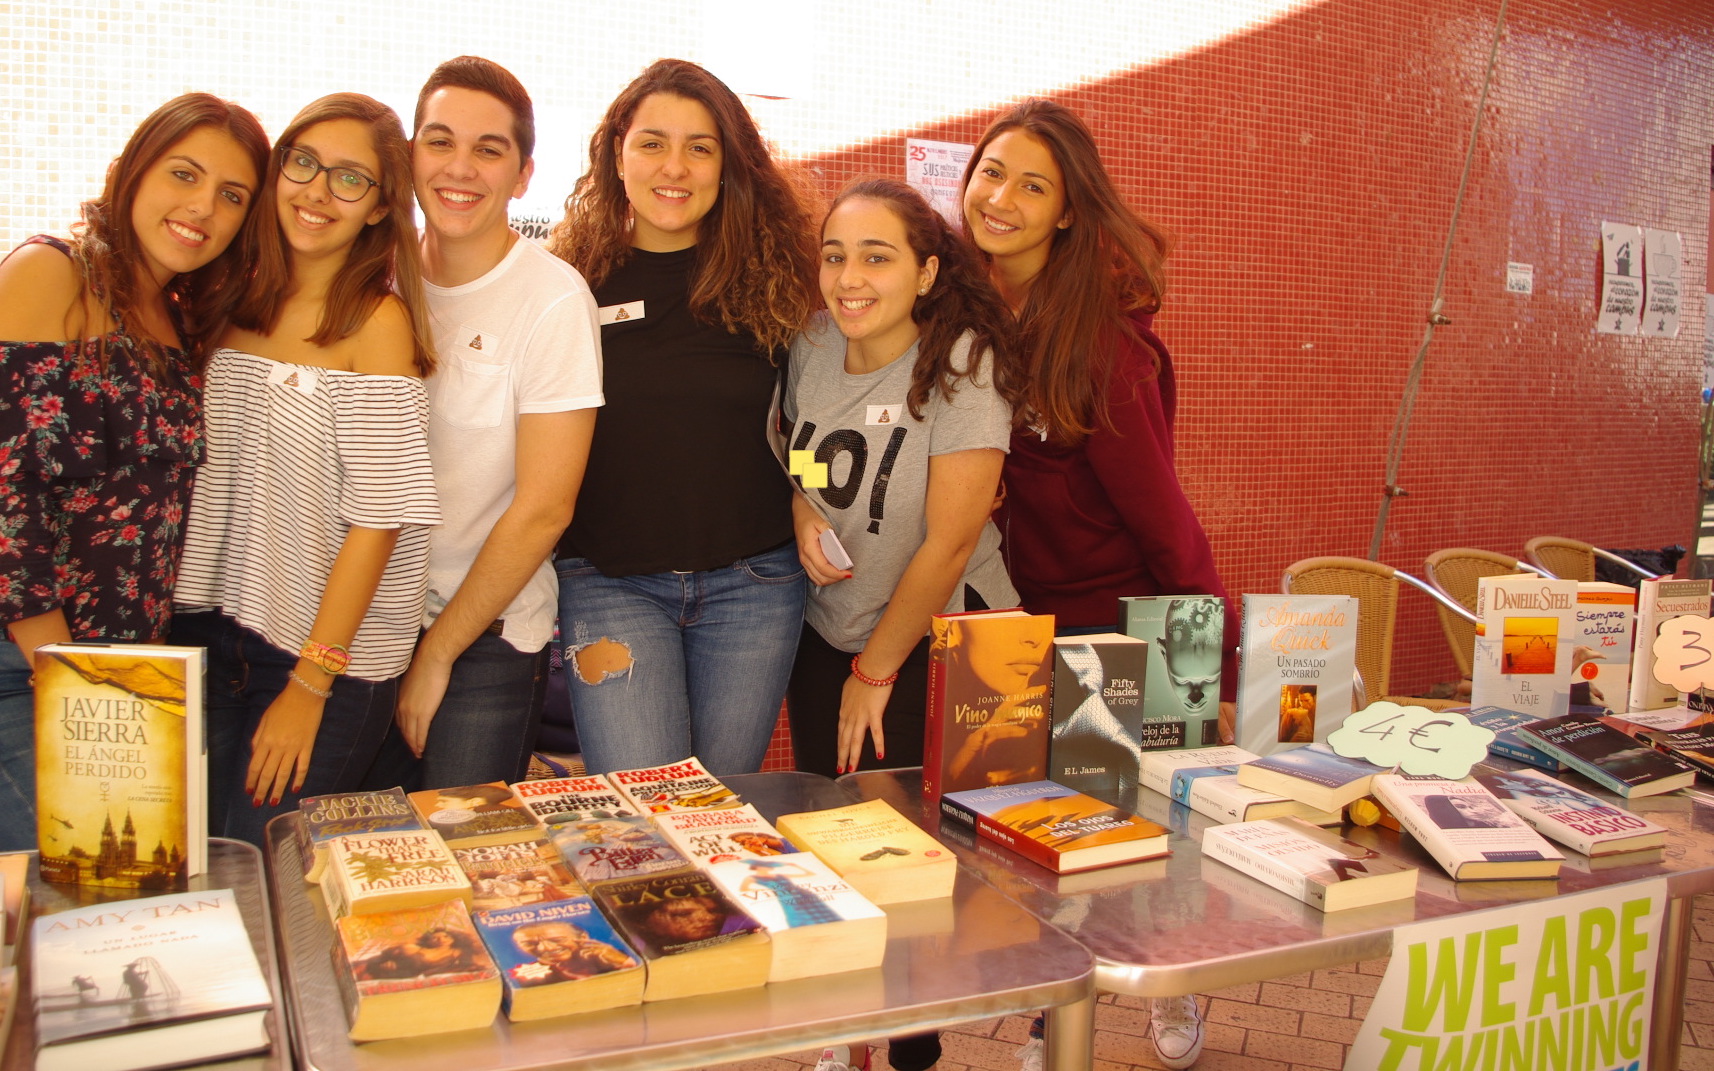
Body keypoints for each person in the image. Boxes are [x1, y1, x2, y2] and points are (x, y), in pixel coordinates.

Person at [960, 98, 1236, 1071]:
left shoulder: (1106, 347)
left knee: (1142, 843)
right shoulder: (968, 314)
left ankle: (1167, 990)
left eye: (1032, 184)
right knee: (1031, 847)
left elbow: (1164, 519)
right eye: (990, 172)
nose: (1000, 196)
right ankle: (1053, 1016)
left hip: (1127, 628)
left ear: (1068, 212)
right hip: (1011, 624)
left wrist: (1214, 655)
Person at [170, 93, 441, 847]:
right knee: (198, 866)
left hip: (317, 655)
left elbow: (380, 519)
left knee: (260, 867)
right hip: (205, 630)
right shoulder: (221, 298)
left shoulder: (375, 325)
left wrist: (309, 684)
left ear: (382, 206)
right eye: (304, 162)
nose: (317, 190)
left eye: (349, 179)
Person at [0, 93, 268, 851]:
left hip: (126, 671)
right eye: (184, 174)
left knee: (115, 912)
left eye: (231, 196)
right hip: (29, 657)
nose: (202, 208)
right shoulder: (52, 272)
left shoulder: (180, 315)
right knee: (60, 904)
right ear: (130, 171)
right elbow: (4, 493)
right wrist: (60, 669)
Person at [547, 59, 817, 777]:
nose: (676, 167)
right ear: (617, 153)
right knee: (647, 821)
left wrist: (806, 493)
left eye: (701, 147)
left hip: (753, 588)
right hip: (610, 583)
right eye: (653, 143)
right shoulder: (568, 284)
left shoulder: (780, 283)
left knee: (725, 814)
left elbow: (814, 429)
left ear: (729, 165)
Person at [380, 56, 603, 790]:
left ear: (523, 175)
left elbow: (544, 508)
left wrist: (439, 650)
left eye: (489, 149)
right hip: (369, 622)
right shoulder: (375, 281)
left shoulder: (551, 298)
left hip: (484, 632)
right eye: (440, 141)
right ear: (410, 153)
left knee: (468, 858)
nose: (461, 168)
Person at [784, 179, 1022, 780]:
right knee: (830, 827)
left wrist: (875, 671)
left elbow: (952, 543)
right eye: (834, 256)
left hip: (946, 642)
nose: (849, 278)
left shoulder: (963, 366)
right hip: (828, 630)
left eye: (876, 257)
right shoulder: (811, 347)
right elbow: (808, 457)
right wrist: (802, 508)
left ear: (925, 272)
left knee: (931, 853)